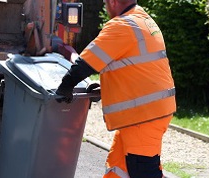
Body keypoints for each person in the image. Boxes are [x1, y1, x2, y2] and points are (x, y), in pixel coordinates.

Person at [55, 0, 176, 177]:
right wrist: (106, 88)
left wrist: (64, 88)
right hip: (150, 111)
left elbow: (85, 64)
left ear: (113, 2)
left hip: (143, 116)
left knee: (142, 170)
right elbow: (136, 69)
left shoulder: (122, 25)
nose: (105, 6)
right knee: (119, 167)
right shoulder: (143, 19)